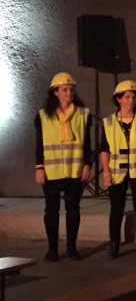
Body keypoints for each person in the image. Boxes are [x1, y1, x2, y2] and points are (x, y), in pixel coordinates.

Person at [35, 72, 92, 261]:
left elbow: (87, 144)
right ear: (55, 93)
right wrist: (39, 167)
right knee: (51, 210)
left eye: (71, 89)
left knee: (73, 210)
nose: (69, 92)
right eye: (65, 89)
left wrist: (87, 164)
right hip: (51, 172)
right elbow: (39, 144)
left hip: (74, 170)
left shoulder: (83, 114)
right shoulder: (43, 116)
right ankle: (52, 248)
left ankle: (71, 247)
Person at [101, 81, 136, 257]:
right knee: (116, 208)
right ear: (118, 99)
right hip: (117, 172)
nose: (131, 100)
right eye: (127, 97)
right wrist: (106, 172)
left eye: (133, 97)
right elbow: (105, 149)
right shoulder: (108, 122)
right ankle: (114, 242)